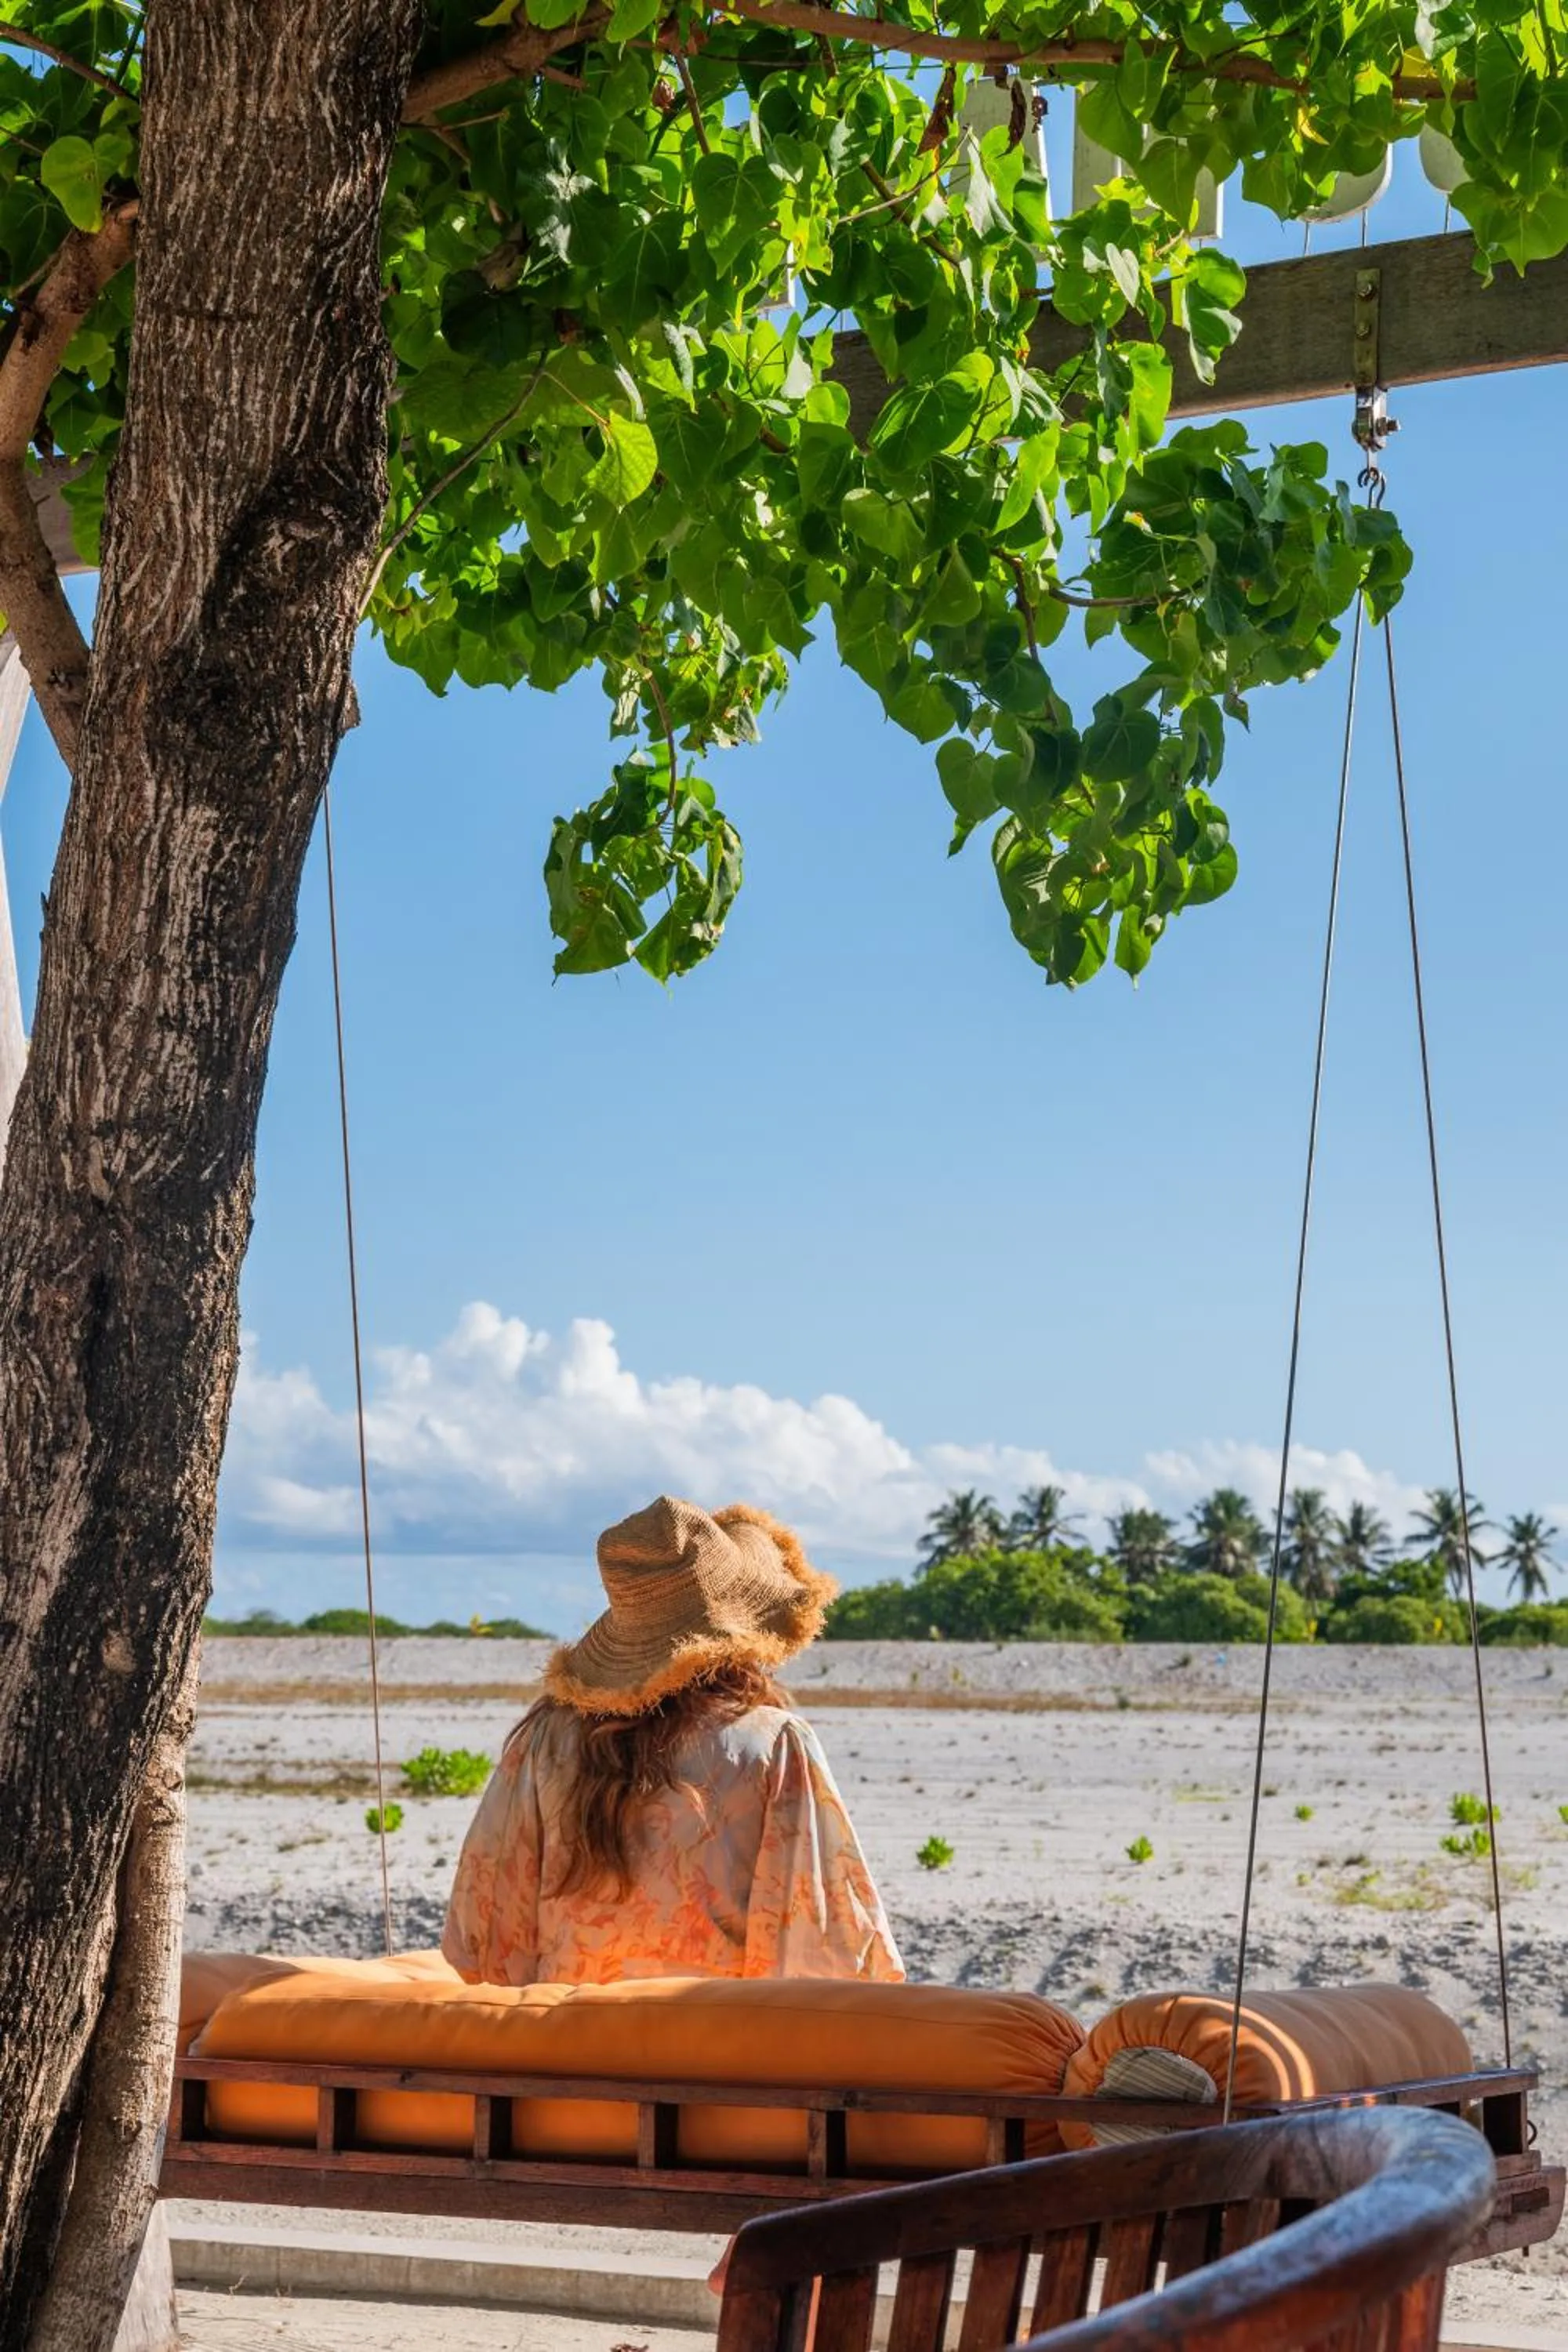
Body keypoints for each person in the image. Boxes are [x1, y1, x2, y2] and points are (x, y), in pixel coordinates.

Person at [442, 1494, 903, 1987]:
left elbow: (485, 1936)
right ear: (742, 1632)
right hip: (712, 2045)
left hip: (568, 2038)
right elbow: (827, 1945)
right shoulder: (774, 1743)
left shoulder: (544, 1741)